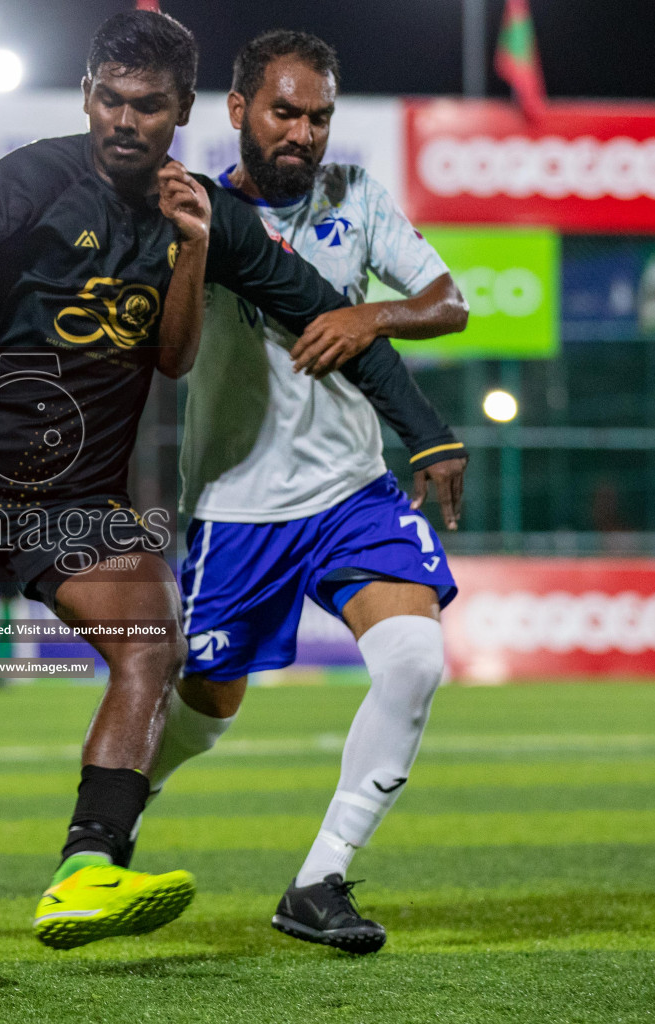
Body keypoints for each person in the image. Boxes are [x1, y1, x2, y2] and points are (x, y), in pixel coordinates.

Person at [0, 10, 459, 952]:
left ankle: (85, 870)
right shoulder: (35, 177)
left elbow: (328, 318)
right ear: (87, 95)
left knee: (153, 644)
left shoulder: (207, 218)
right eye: (109, 98)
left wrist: (427, 437)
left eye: (148, 106)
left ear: (184, 111)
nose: (124, 120)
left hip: (74, 501)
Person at [146, 30, 471, 955]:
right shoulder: (198, 215)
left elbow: (449, 300)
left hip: (351, 493)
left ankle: (320, 880)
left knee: (413, 661)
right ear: (239, 111)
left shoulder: (357, 198)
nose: (304, 132)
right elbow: (166, 359)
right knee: (207, 712)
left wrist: (369, 312)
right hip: (238, 506)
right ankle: (121, 810)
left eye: (320, 115)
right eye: (286, 111)